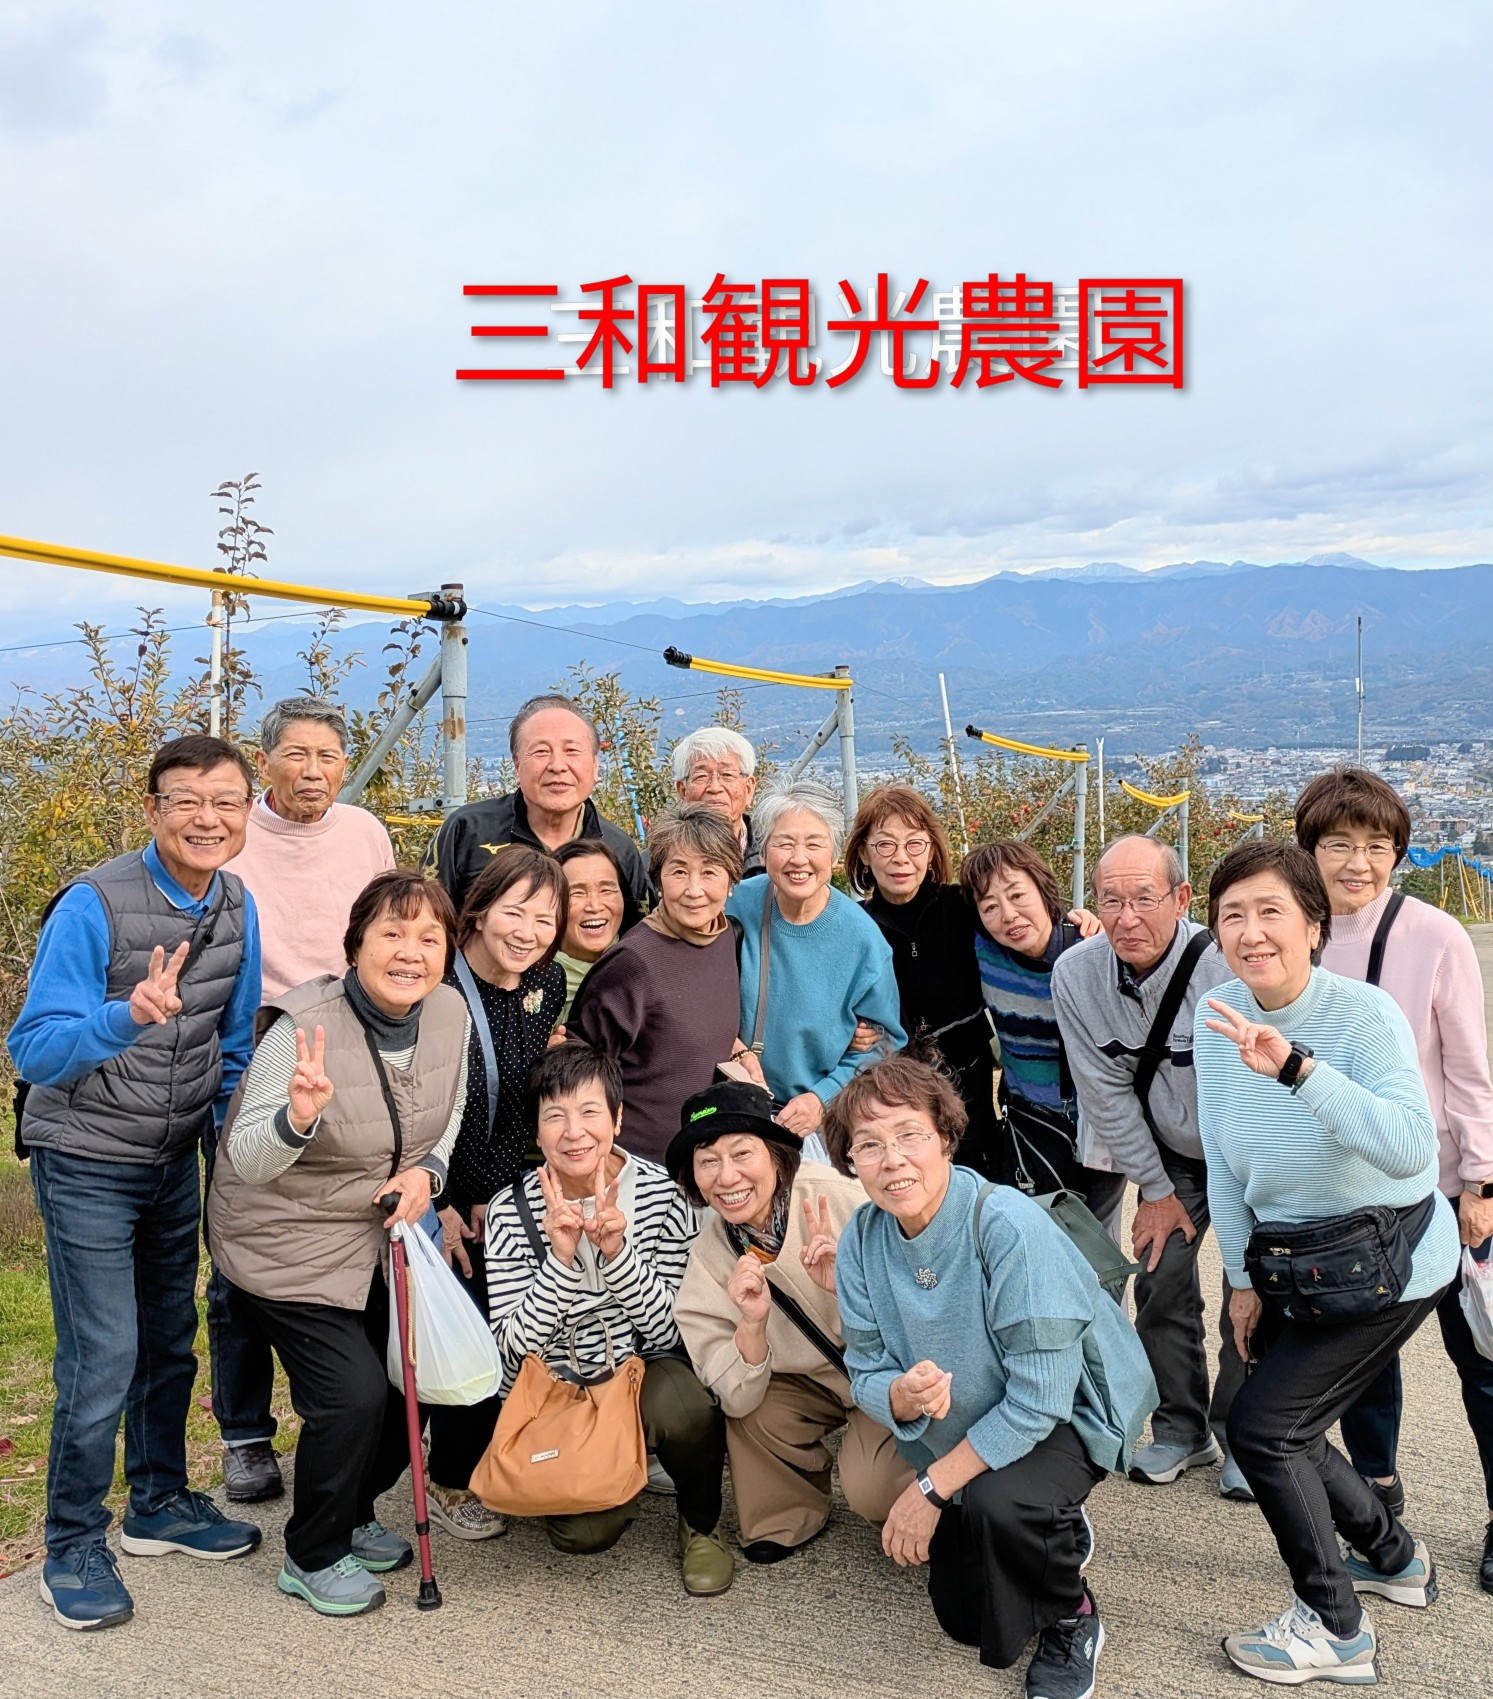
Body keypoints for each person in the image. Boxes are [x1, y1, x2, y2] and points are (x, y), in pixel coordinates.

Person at [8, 734, 264, 1632]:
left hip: (173, 1158)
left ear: (246, 812)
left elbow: (234, 1048)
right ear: (152, 808)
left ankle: (158, 1501)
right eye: (186, 799)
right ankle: (73, 1541)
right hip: (86, 1157)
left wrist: (235, 1154)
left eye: (225, 801)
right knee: (104, 1354)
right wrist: (125, 1015)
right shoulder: (94, 903)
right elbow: (33, 1049)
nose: (207, 818)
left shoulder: (235, 902)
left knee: (170, 1340)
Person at [1195, 840, 1458, 1686]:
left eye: (1269, 910)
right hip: (1296, 1263)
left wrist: (1296, 1069)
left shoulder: (1364, 1014)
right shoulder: (1216, 1015)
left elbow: (1410, 1147)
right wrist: (1239, 1282)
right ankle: (1393, 1557)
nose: (1250, 931)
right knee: (1289, 1424)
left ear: (1313, 924)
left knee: (1265, 1428)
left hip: (1390, 1259)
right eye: (1231, 915)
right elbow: (1222, 1159)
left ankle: (1336, 1627)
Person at [829, 1054, 1157, 1698]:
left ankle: (1073, 1616)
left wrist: (929, 1490)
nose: (892, 1160)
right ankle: (1048, 1524)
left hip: (1065, 1417)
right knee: (966, 1617)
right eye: (869, 1145)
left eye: (909, 1135)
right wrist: (897, 1394)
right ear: (850, 1161)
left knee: (998, 1505)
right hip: (964, 1427)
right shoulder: (862, 1239)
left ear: (946, 1138)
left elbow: (1041, 1400)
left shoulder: (1004, 1223)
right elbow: (862, 1366)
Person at [207, 868, 471, 1616]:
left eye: (429, 938)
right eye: (392, 933)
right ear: (355, 945)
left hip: (374, 1232)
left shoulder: (448, 1012)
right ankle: (312, 1553)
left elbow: (448, 1111)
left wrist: (429, 1172)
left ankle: (352, 1512)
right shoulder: (300, 1028)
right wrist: (297, 1118)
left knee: (407, 1380)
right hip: (279, 1240)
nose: (410, 952)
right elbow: (248, 1159)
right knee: (352, 1394)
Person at [1296, 767, 1493, 1590]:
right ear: (1307, 849)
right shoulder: (1290, 930)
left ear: (1398, 854)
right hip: (1344, 1195)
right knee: (1366, 1360)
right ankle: (1376, 1493)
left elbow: (1469, 1069)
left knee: (1480, 1358)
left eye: (1377, 846)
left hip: (1438, 1187)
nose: (1357, 862)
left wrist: (1480, 1182)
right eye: (1338, 844)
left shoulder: (1432, 934)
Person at [214, 693, 396, 1504]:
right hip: (254, 1047)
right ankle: (244, 1433)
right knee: (240, 1245)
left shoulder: (363, 832)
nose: (313, 770)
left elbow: (387, 932)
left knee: (349, 1226)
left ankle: (349, 1411)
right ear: (265, 762)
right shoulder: (233, 836)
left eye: (328, 755)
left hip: (349, 1045)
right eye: (296, 754)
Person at [483, 1043, 733, 1594]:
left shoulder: (665, 1195)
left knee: (688, 1406)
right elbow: (510, 1349)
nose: (574, 1132)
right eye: (555, 1115)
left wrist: (619, 1256)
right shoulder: (510, 1211)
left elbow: (676, 1333)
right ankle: (623, 1472)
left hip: (639, 1371)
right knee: (583, 1535)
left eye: (590, 1111)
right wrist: (561, 1262)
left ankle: (701, 1525)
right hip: (559, 1390)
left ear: (618, 1119)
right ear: (537, 1131)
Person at [1051, 833, 1247, 1496]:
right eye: (1110, 900)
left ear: (1182, 898)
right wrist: (1156, 1190)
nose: (1125, 917)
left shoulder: (1226, 966)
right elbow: (1103, 1092)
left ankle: (1246, 1435)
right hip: (1170, 1153)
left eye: (1144, 898)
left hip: (1248, 1152)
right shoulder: (1076, 974)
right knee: (1160, 1278)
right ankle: (1181, 1428)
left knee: (1254, 1288)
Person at [668, 1078, 911, 1560]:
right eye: (708, 1161)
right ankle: (785, 1513)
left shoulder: (842, 1196)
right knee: (752, 1406)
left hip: (887, 1372)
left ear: (776, 1155)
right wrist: (751, 1327)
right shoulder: (709, 1254)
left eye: (742, 1153)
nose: (727, 1177)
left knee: (876, 1489)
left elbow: (926, 1298)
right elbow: (728, 1387)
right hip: (810, 1383)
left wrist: (850, 1287)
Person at [426, 846, 568, 1539]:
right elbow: (418, 1106)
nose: (528, 931)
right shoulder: (436, 989)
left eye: (545, 918)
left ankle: (500, 1457)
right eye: (515, 912)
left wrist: (499, 1194)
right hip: (433, 1190)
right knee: (464, 1330)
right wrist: (445, 1201)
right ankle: (449, 1479)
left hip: (501, 1187)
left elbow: (519, 1105)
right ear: (478, 911)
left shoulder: (546, 983)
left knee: (509, 1324)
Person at [725, 779, 906, 1164]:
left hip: (819, 1125)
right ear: (764, 849)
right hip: (733, 1110)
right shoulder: (734, 905)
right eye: (784, 843)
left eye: (814, 844)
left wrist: (822, 1098)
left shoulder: (862, 939)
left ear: (834, 854)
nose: (799, 858)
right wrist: (734, 1048)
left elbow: (885, 1043)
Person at [570, 804, 745, 1165]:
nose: (694, 890)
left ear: (731, 881)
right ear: (658, 880)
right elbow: (579, 1068)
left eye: (710, 871)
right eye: (678, 871)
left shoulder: (725, 936)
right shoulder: (633, 961)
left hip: (703, 1159)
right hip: (640, 1166)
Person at [960, 838, 1120, 1217]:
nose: (1009, 915)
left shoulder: (1094, 950)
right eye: (990, 906)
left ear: (1043, 889)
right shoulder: (985, 956)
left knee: (1096, 1241)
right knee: (1032, 1233)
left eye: (1018, 895)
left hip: (1102, 1130)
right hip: (1031, 1128)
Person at [843, 785, 999, 1175]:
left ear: (931, 851)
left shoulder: (964, 907)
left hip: (969, 1085)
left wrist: (1075, 924)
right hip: (890, 1092)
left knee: (970, 1188)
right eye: (885, 845)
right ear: (863, 853)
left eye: (914, 844)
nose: (901, 858)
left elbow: (1024, 927)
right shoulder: (850, 924)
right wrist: (843, 1031)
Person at [427, 693, 649, 919]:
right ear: (517, 766)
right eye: (541, 751)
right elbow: (424, 920)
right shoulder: (467, 830)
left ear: (595, 766)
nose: (557, 766)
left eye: (572, 750)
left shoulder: (619, 848)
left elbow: (640, 932)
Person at [672, 724, 764, 877]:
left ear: (748, 789)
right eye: (701, 776)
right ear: (683, 791)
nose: (715, 787)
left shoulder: (774, 856)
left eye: (727, 775)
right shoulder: (657, 862)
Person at [551, 838, 628, 1020]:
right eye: (577, 892)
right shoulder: (524, 980)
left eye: (606, 890)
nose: (594, 906)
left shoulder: (641, 972)